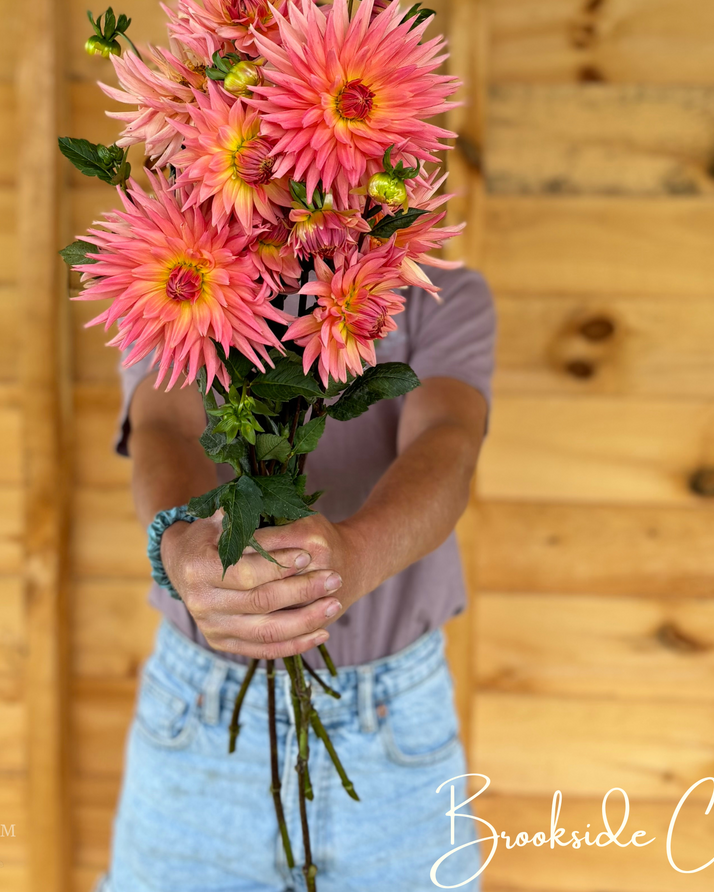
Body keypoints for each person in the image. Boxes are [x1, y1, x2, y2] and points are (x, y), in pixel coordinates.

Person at [95, 262, 496, 892]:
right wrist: (180, 546)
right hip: (200, 712)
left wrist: (356, 556)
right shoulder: (174, 265)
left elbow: (448, 439)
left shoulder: (442, 291)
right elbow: (162, 422)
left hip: (395, 717)